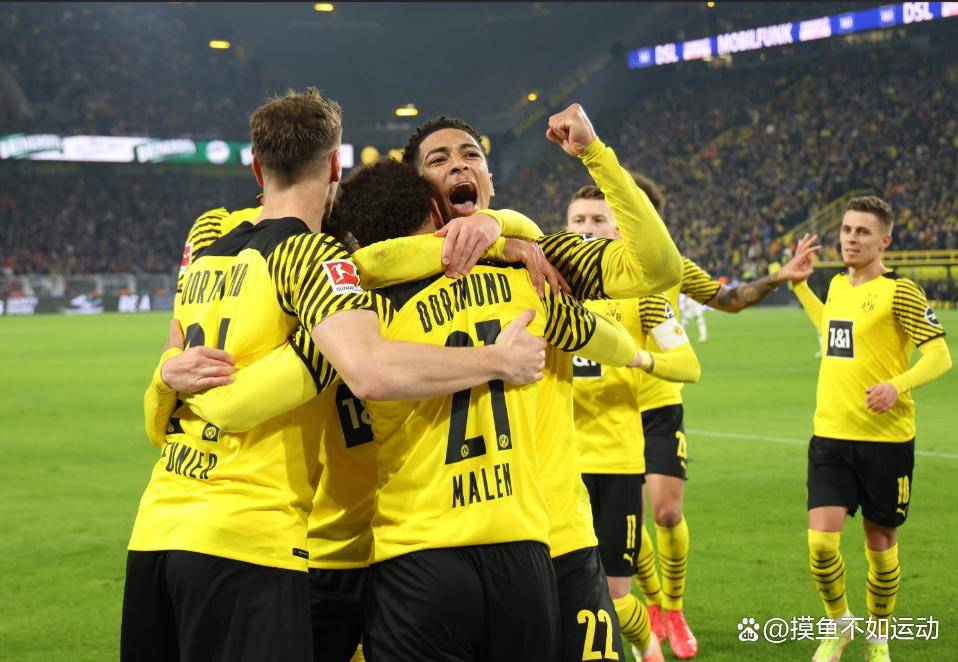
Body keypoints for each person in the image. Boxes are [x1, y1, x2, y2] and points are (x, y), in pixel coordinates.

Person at [123, 89, 545, 662]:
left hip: (159, 525)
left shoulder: (208, 253)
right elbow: (366, 368)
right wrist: (499, 357)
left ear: (257, 167)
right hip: (251, 537)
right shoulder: (317, 261)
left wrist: (168, 381)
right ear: (333, 167)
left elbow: (162, 407)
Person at [381, 104, 683, 661]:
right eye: (438, 159)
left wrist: (594, 154)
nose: (459, 165)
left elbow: (660, 268)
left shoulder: (545, 260)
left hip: (560, 536)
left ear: (490, 180)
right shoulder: (385, 284)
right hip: (447, 547)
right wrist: (505, 232)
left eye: (471, 155)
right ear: (415, 186)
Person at [625, 173, 818, 659]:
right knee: (626, 518)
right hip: (609, 408)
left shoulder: (671, 266)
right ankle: (651, 602)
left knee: (667, 513)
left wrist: (778, 277)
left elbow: (728, 300)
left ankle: (674, 609)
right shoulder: (589, 266)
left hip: (660, 402)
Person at [788, 197, 951, 662]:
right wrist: (801, 288)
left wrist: (898, 385)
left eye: (862, 232)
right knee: (821, 544)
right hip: (831, 434)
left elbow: (940, 355)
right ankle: (838, 624)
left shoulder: (901, 292)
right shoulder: (838, 285)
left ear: (885, 241)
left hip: (885, 439)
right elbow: (831, 330)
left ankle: (878, 634)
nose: (851, 239)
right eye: (846, 230)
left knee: (880, 546)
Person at [566, 183, 701, 662]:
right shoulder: (544, 290)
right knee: (559, 589)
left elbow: (689, 365)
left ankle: (652, 639)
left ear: (618, 228)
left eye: (597, 220)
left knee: (616, 596)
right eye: (578, 221)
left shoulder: (643, 295)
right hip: (558, 462)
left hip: (617, 459)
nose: (586, 229)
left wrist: (639, 358)